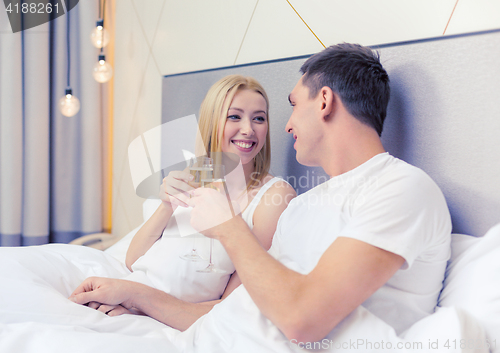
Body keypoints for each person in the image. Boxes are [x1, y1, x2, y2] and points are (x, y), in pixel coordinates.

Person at [71, 44, 451, 343]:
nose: (285, 126)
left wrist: (228, 227)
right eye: (235, 117)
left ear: (324, 101)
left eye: (290, 106)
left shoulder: (401, 188)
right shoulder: (303, 208)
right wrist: (135, 297)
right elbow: (230, 313)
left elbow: (301, 320)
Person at [70, 74, 296, 328]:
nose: (248, 129)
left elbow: (231, 306)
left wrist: (138, 303)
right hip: (128, 302)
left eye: (259, 118)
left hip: (160, 317)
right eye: (235, 116)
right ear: (212, 123)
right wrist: (166, 206)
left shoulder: (273, 198)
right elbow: (133, 261)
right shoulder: (194, 178)